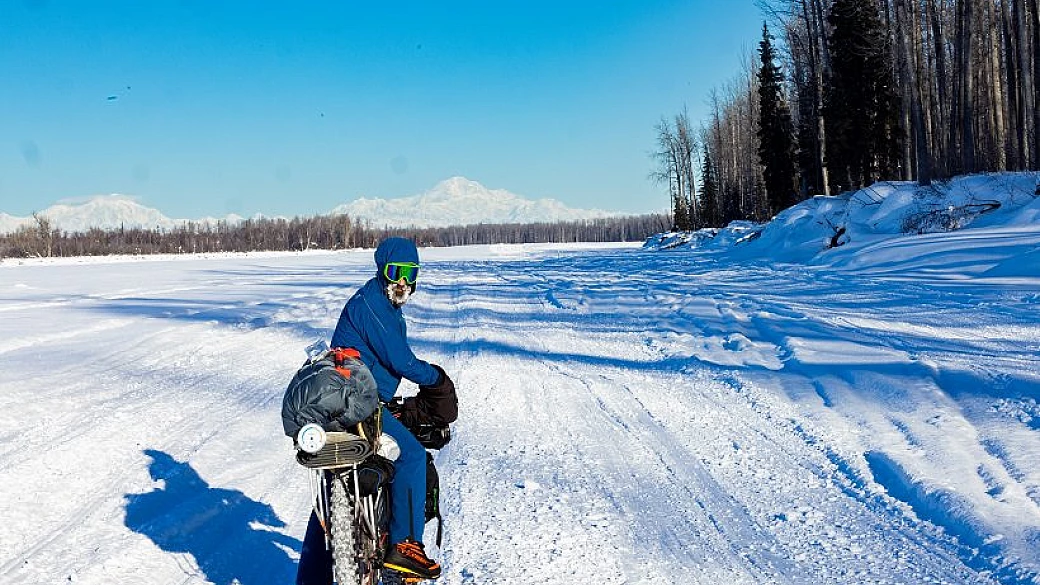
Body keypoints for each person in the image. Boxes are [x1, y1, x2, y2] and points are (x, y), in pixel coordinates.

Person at [296, 236, 453, 584]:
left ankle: (312, 575)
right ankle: (405, 546)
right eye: (395, 271)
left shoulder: (377, 303)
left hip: (354, 400)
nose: (402, 282)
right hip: (360, 403)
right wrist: (437, 380)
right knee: (411, 456)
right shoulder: (374, 305)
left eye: (410, 274)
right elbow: (402, 360)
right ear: (381, 270)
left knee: (335, 487)